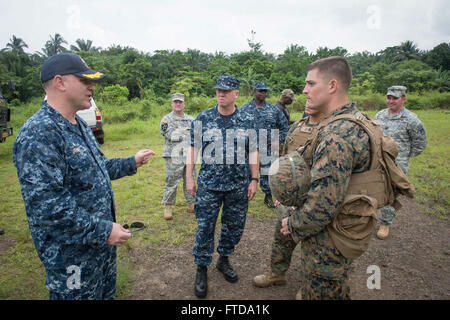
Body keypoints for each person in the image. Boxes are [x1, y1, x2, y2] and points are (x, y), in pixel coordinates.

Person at [12, 53, 155, 300]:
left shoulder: (76, 123)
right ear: (60, 83)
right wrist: (103, 230)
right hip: (72, 257)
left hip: (100, 249)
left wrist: (131, 162)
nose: (92, 87)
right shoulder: (39, 134)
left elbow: (96, 169)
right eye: (84, 80)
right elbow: (49, 209)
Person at [255, 56, 375, 300]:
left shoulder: (336, 135)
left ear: (332, 86)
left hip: (329, 235)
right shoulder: (356, 121)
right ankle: (280, 272)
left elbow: (323, 205)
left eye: (310, 83)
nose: (304, 90)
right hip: (341, 226)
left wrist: (294, 223)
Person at [186, 74, 259, 298]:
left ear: (236, 94)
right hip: (209, 185)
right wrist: (189, 176)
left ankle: (224, 260)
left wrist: (254, 179)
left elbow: (254, 151)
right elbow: (192, 149)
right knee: (205, 226)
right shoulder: (203, 118)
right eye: (218, 90)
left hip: (238, 185)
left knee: (233, 225)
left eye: (226, 91)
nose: (220, 94)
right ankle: (201, 267)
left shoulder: (248, 120)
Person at [253, 102, 325, 299]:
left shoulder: (329, 129)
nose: (308, 102)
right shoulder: (297, 126)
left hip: (314, 199)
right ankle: (277, 273)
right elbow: (283, 158)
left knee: (313, 244)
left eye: (313, 97)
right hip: (290, 199)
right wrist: (279, 195)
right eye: (307, 100)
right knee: (282, 237)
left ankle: (309, 285)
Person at [374, 85, 427, 239]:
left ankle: (385, 223)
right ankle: (370, 217)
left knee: (392, 193)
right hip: (379, 160)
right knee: (375, 188)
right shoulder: (380, 115)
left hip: (398, 164)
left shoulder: (411, 120)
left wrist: (404, 156)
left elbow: (420, 143)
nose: (391, 101)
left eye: (395, 98)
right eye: (389, 97)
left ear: (403, 99)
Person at [240, 81, 288, 208]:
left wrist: (277, 140)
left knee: (269, 174)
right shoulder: (244, 110)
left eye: (265, 91)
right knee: (246, 174)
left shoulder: (274, 110)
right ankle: (244, 196)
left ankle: (268, 196)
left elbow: (284, 127)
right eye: (260, 91)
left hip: (267, 149)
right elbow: (238, 129)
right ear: (254, 91)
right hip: (249, 150)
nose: (263, 93)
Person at [160, 93, 195, 220]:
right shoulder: (166, 119)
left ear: (184, 104)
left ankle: (191, 203)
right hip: (173, 156)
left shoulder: (191, 119)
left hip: (189, 155)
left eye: (180, 102)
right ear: (172, 104)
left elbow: (196, 136)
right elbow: (170, 135)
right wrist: (186, 134)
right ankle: (168, 206)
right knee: (171, 181)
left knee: (190, 179)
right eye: (175, 102)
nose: (178, 104)